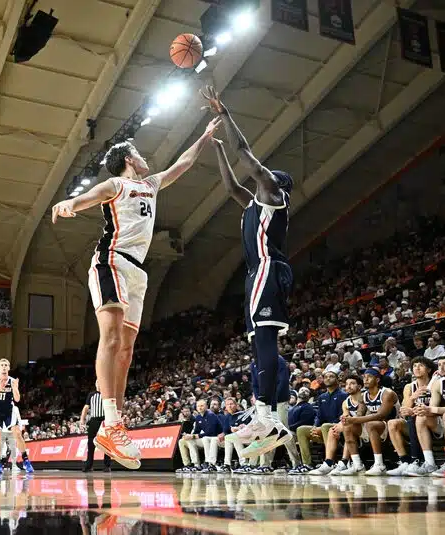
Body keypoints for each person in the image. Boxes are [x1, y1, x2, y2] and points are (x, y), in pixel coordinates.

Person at [51, 112, 223, 469]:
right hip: (111, 260)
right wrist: (70, 203)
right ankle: (111, 422)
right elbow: (91, 196)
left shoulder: (152, 184)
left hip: (137, 272)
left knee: (127, 350)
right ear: (129, 158)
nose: (145, 158)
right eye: (139, 153)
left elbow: (183, 164)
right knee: (112, 337)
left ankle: (114, 426)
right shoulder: (116, 184)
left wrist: (205, 135)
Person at [204, 85, 294, 457]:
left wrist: (225, 116)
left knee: (266, 342)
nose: (260, 178)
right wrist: (217, 148)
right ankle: (267, 418)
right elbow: (230, 187)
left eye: (265, 176)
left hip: (268, 269)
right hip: (257, 274)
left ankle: (269, 418)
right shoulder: (253, 204)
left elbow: (246, 154)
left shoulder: (273, 194)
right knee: (259, 346)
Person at [338, 369, 397, 476]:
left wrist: (354, 419)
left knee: (371, 424)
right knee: (348, 427)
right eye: (364, 377)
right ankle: (358, 465)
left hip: (391, 425)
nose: (365, 379)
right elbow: (360, 413)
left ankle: (379, 465)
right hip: (373, 427)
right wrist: (347, 419)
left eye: (369, 377)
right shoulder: (363, 396)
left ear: (377, 380)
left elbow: (380, 415)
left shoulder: (387, 393)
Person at [386, 357, 435, 476]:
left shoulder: (435, 384)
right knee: (393, 423)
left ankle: (416, 460)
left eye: (420, 365)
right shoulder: (409, 387)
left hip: (433, 421)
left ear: (428, 369)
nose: (417, 368)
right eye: (414, 366)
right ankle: (405, 462)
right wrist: (413, 397)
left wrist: (413, 411)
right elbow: (404, 410)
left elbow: (436, 407)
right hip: (414, 421)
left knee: (416, 416)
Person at [0, 358, 33, 474]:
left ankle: (26, 461)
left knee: (17, 433)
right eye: (2, 365)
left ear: (9, 368)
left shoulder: (12, 381)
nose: (4, 367)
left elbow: (17, 399)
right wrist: (0, 388)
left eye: (6, 365)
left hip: (9, 411)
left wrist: (15, 388)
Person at [310, 376, 363, 476]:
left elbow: (360, 417)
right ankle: (328, 463)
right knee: (332, 430)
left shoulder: (363, 398)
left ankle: (344, 462)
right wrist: (339, 426)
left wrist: (343, 425)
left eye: (352, 383)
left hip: (365, 427)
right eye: (347, 384)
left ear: (359, 386)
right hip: (354, 426)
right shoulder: (346, 402)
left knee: (347, 428)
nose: (348, 386)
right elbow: (345, 417)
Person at [295, 370, 346, 468]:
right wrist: (315, 426)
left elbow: (343, 416)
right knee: (301, 430)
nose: (328, 378)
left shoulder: (343, 395)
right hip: (323, 429)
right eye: (326, 377)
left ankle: (330, 462)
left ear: (337, 380)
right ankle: (307, 464)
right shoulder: (322, 396)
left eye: (331, 376)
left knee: (325, 426)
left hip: (339, 429)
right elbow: (319, 416)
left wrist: (321, 428)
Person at [80, 380, 110, 472]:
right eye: (98, 382)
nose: (99, 384)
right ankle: (89, 465)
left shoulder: (107, 394)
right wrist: (82, 420)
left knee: (107, 443)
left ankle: (107, 465)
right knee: (90, 443)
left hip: (105, 420)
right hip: (94, 420)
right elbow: (86, 407)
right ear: (96, 384)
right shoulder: (91, 394)